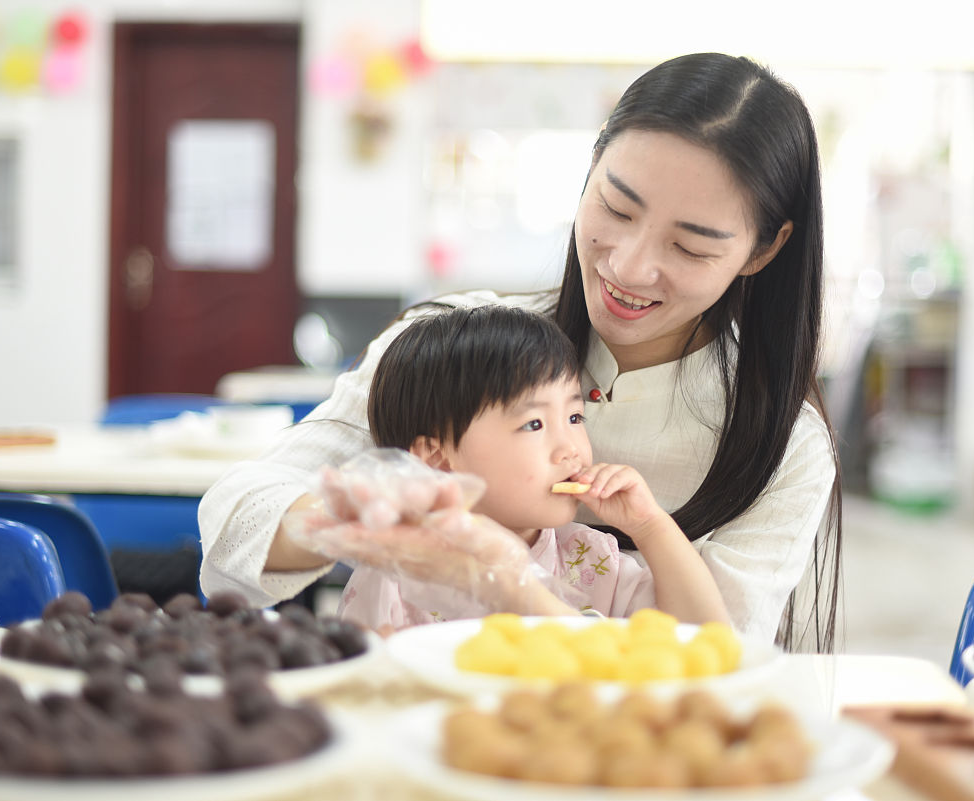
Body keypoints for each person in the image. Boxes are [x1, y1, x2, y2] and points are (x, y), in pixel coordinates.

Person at [200, 52, 841, 648]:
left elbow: (714, 657)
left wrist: (517, 585)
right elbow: (235, 523)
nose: (629, 264)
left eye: (690, 248)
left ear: (762, 250)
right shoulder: (460, 341)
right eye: (616, 208)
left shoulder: (786, 441)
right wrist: (362, 523)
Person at [318, 305, 729, 631]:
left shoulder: (590, 559)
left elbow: (702, 644)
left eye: (574, 417)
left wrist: (650, 526)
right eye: (534, 423)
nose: (570, 448)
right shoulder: (400, 574)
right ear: (439, 458)